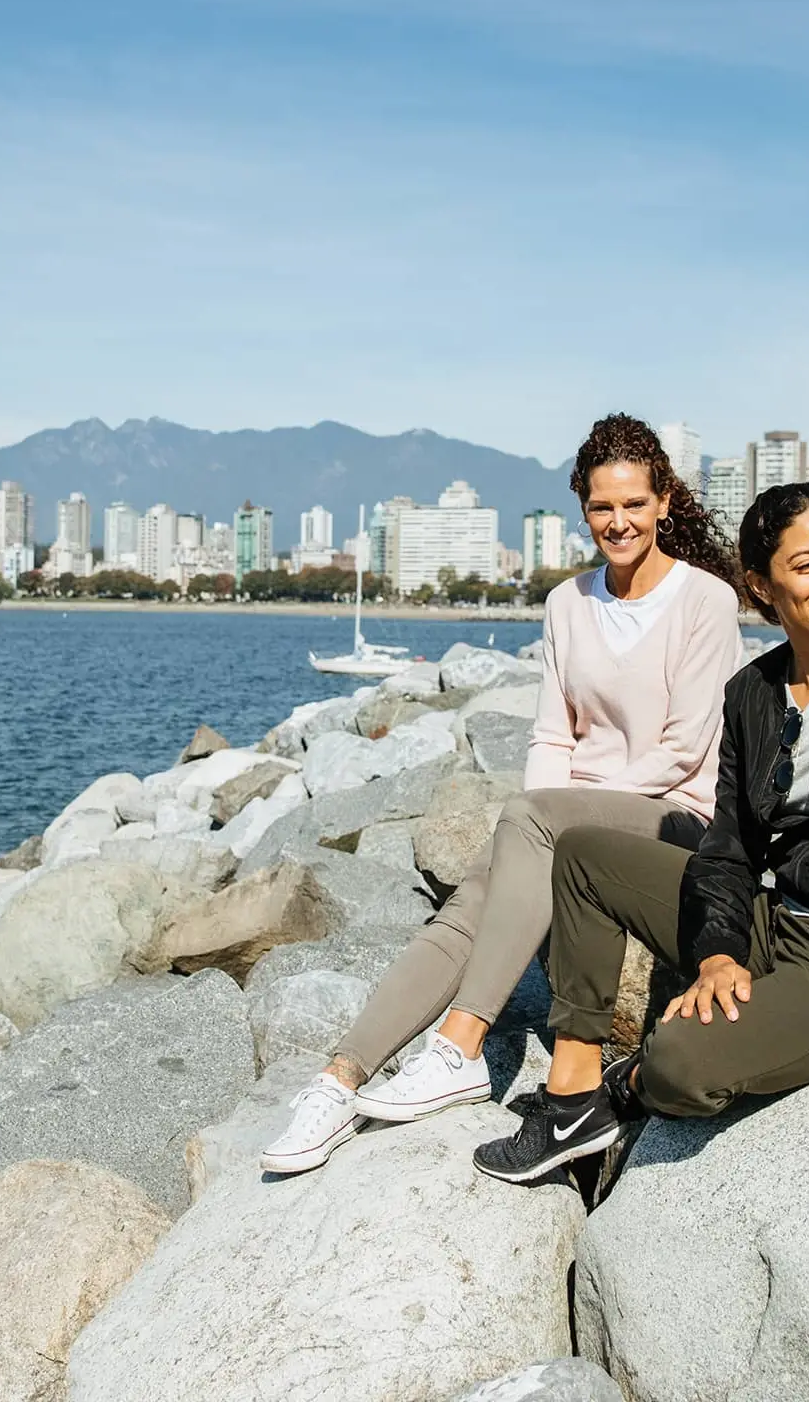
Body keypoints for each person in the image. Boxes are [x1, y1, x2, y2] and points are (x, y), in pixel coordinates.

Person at [261, 413, 743, 1174]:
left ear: (664, 504)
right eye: (601, 507)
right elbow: (552, 735)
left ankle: (460, 1044)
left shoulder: (705, 601)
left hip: (674, 813)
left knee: (527, 825)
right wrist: (550, 820)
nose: (618, 522)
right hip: (572, 816)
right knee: (472, 903)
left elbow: (685, 750)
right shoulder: (567, 604)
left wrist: (553, 818)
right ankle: (338, 1079)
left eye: (633, 505)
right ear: (583, 509)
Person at [472, 480, 809, 1184]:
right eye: (807, 564)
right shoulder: (753, 693)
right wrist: (718, 954)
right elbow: (729, 848)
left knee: (679, 1065)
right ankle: (572, 1097)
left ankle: (623, 1090)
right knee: (581, 854)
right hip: (778, 918)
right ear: (761, 584)